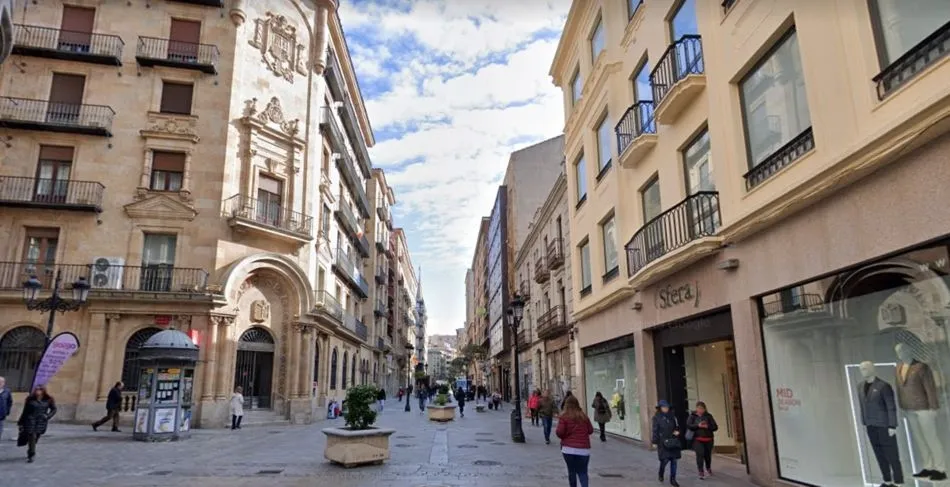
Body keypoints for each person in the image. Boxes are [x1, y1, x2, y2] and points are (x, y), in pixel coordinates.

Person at [556, 395, 594, 487]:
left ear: (566, 405)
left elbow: (559, 432)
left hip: (568, 449)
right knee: (583, 473)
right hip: (583, 449)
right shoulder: (583, 416)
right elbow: (590, 430)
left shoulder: (564, 417)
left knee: (571, 472)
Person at [17, 385, 57, 463]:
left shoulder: (48, 399)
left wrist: (48, 416)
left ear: (43, 391)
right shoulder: (30, 399)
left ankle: (31, 448)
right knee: (32, 435)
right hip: (30, 420)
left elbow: (54, 409)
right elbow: (25, 411)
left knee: (35, 438)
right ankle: (31, 454)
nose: (37, 391)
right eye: (36, 390)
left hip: (41, 421)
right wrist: (20, 422)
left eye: (39, 390)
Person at [652, 400, 682, 486]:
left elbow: (677, 427)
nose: (666, 409)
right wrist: (654, 441)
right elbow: (655, 430)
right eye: (664, 407)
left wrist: (677, 432)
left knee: (674, 460)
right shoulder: (656, 418)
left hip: (673, 441)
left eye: (667, 407)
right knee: (664, 460)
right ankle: (661, 473)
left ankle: (673, 479)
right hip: (663, 442)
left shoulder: (673, 417)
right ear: (660, 408)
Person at [686, 401, 719, 480]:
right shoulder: (692, 416)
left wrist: (708, 426)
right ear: (696, 408)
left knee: (707, 455)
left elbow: (715, 427)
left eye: (702, 408)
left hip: (708, 439)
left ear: (704, 409)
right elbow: (689, 425)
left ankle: (708, 467)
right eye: (698, 408)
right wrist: (698, 425)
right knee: (700, 454)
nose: (700, 410)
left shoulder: (708, 416)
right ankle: (700, 471)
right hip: (697, 439)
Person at [0, 376, 12, 441]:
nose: (0, 383)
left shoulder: (7, 391)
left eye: (1, 382)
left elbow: (9, 402)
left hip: (1, 415)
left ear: (4, 383)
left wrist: (7, 411)